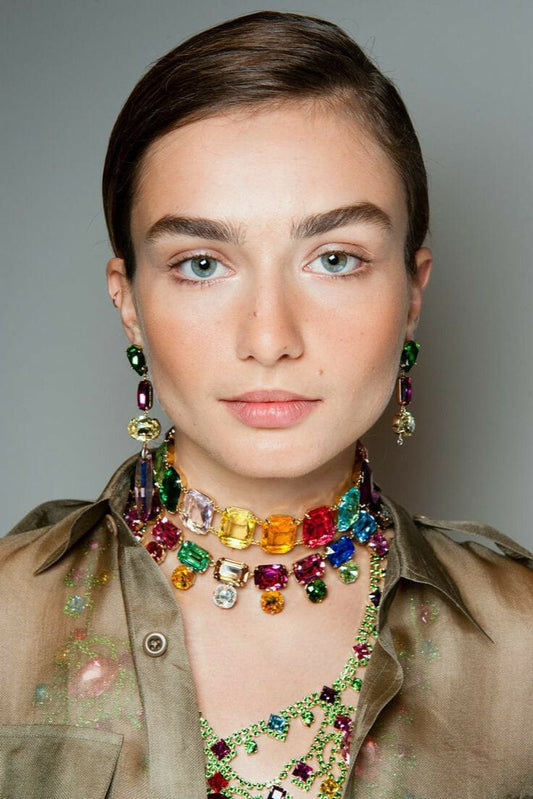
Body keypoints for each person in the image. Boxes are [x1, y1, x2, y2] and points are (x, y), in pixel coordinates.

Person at [1, 10, 532, 799]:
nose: (270, 336)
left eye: (335, 257)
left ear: (412, 293)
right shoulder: (13, 622)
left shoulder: (517, 646)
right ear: (129, 303)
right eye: (203, 263)